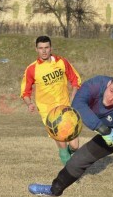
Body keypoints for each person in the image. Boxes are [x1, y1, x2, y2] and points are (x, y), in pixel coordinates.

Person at [20, 35, 82, 165]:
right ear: (36, 49)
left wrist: (74, 94)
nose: (44, 51)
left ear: (51, 48)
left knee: (75, 146)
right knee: (62, 145)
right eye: (41, 48)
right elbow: (25, 91)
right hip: (48, 112)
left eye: (46, 47)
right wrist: (29, 103)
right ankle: (69, 174)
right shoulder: (32, 69)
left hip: (65, 108)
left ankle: (71, 160)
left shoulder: (61, 62)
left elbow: (75, 79)